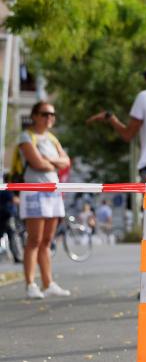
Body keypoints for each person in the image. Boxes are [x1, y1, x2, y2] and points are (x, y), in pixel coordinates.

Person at [18, 102, 72, 299]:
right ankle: (31, 283)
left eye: (52, 114)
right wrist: (53, 162)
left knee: (47, 240)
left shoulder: (51, 138)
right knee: (34, 239)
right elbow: (37, 163)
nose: (49, 118)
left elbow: (66, 161)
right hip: (34, 192)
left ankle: (48, 283)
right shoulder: (26, 136)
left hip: (53, 191)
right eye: (45, 114)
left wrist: (50, 161)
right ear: (34, 116)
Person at [0, 174, 22, 263]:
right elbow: (15, 200)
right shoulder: (7, 189)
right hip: (7, 216)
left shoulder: (3, 189)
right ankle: (17, 257)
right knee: (12, 237)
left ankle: (16, 256)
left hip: (2, 216)